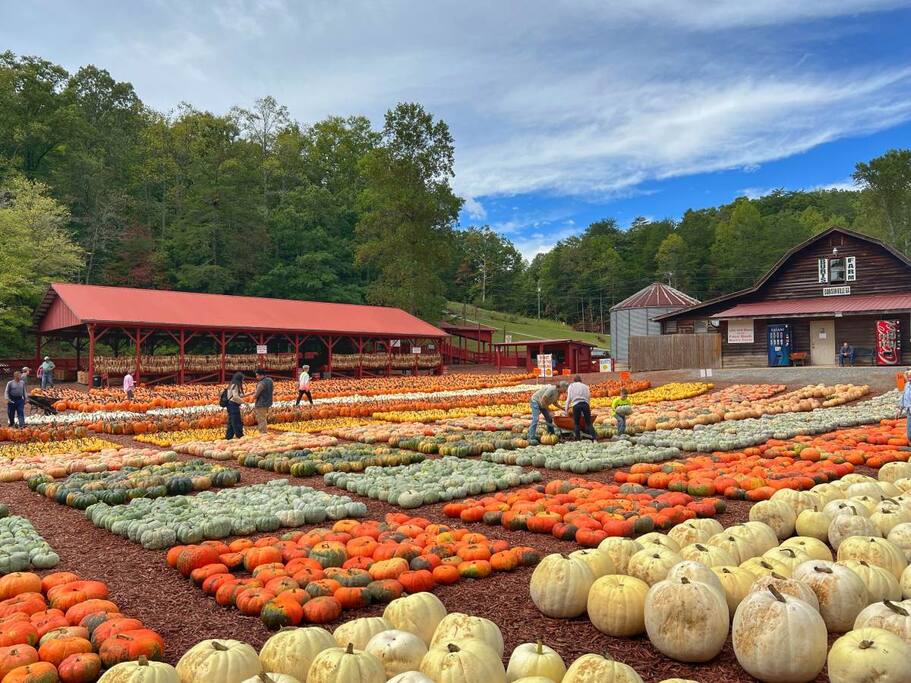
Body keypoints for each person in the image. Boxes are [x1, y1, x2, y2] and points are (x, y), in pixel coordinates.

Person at [565, 375, 596, 441]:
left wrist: (566, 409)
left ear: (574, 380)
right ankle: (594, 439)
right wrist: (588, 407)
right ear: (580, 380)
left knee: (576, 424)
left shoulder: (571, 386)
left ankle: (578, 440)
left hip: (576, 405)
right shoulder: (585, 386)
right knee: (589, 423)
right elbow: (588, 397)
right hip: (585, 404)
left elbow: (569, 398)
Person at [225, 372, 246, 440]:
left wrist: (249, 394)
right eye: (242, 379)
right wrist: (244, 402)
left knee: (231, 421)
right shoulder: (235, 385)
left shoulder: (232, 384)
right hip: (233, 405)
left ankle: (229, 436)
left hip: (230, 405)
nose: (243, 381)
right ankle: (240, 436)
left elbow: (237, 395)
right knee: (236, 421)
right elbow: (235, 397)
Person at [253, 368, 274, 434]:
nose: (256, 377)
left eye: (257, 375)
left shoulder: (261, 383)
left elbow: (256, 395)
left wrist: (253, 395)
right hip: (268, 402)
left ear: (261, 375)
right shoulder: (270, 380)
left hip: (261, 403)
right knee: (264, 418)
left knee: (261, 419)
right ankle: (264, 432)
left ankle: (263, 433)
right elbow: (272, 389)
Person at [900, 369, 911, 444]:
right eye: (908, 377)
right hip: (909, 411)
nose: (909, 379)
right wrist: (900, 408)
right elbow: (903, 396)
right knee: (909, 433)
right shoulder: (907, 385)